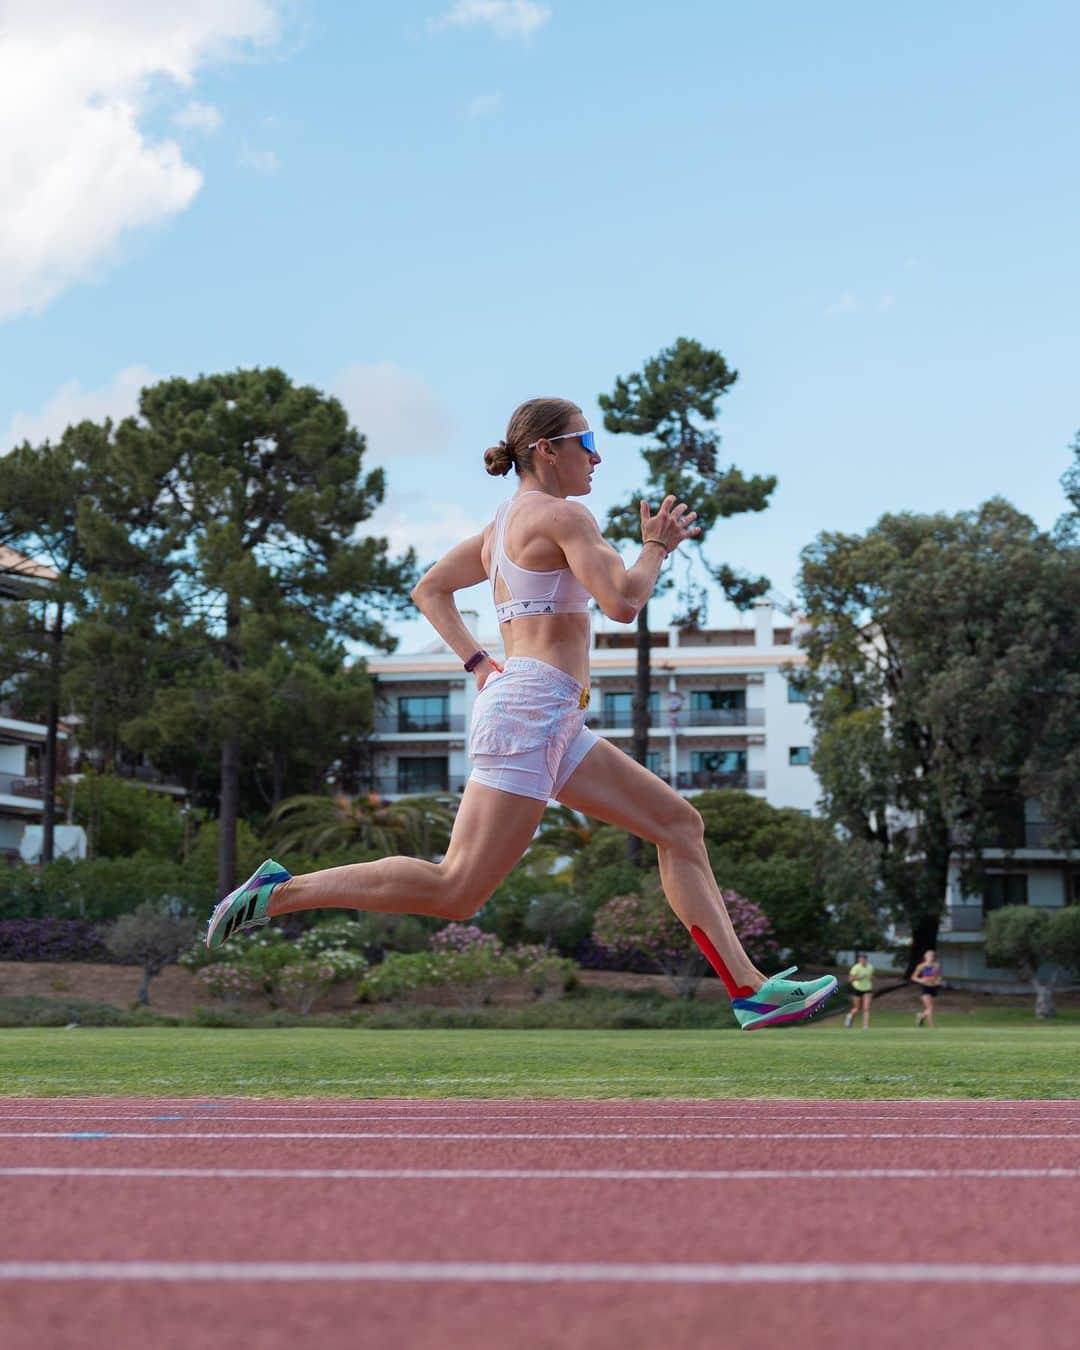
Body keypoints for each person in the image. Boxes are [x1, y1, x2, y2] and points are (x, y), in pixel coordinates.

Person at [205, 397, 837, 1030]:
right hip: (532, 711)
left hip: (550, 713)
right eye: (586, 441)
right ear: (546, 449)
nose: (597, 455)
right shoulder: (565, 517)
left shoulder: (501, 526)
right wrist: (655, 547)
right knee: (456, 889)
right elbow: (621, 602)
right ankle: (277, 893)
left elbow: (429, 589)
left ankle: (749, 989)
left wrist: (479, 665)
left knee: (679, 825)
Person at [912, 949, 942, 1026]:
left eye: (932, 956)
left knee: (930, 1008)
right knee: (930, 1007)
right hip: (925, 987)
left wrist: (938, 981)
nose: (930, 957)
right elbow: (913, 977)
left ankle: (921, 1016)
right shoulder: (921, 966)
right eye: (928, 956)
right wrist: (921, 980)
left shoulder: (936, 965)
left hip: (934, 988)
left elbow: (938, 976)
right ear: (925, 957)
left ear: (934, 957)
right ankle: (931, 1025)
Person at [844, 951, 874, 1028]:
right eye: (861, 958)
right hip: (857, 988)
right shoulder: (856, 968)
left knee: (866, 1008)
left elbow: (871, 978)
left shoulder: (870, 967)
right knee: (857, 1008)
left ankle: (865, 1026)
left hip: (867, 989)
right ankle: (849, 1016)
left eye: (864, 958)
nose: (863, 960)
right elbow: (850, 979)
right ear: (859, 960)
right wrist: (859, 977)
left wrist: (871, 978)